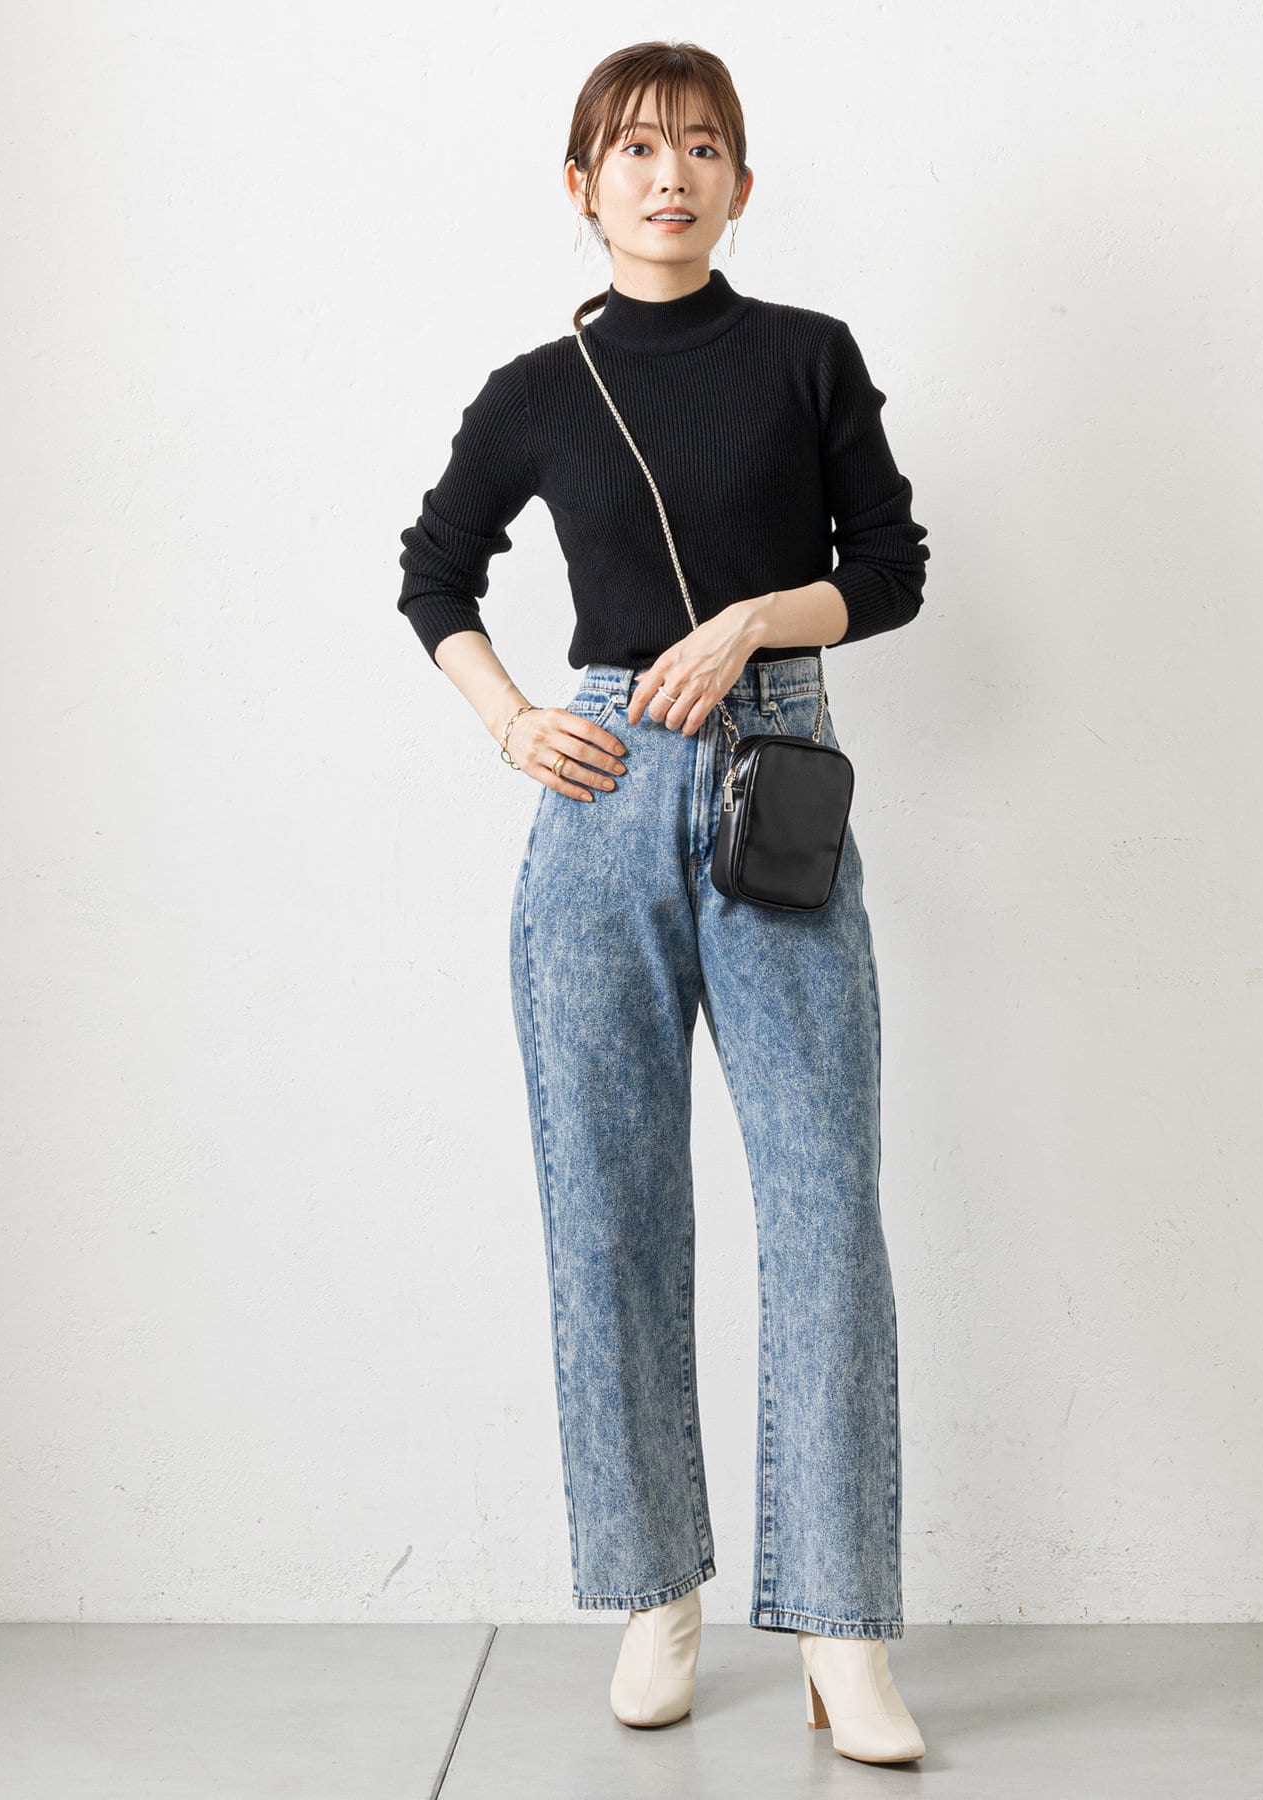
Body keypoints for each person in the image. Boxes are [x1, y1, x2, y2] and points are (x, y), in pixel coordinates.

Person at [395, 41, 931, 1767]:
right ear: (582, 185)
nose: (669, 173)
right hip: (603, 794)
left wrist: (759, 617)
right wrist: (515, 721)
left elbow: (890, 571)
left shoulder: (805, 355)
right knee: (609, 1209)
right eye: (634, 148)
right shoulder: (538, 389)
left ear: (742, 184)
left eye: (701, 147)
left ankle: (843, 1627)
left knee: (825, 1207)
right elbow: (433, 572)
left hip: (777, 776)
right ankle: (656, 1595)